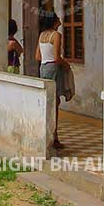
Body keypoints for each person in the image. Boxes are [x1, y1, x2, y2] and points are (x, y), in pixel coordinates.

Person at [36, 12, 68, 149]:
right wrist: (65, 64)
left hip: (43, 67)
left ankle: (51, 135)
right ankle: (53, 136)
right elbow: (56, 57)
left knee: (49, 101)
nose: (60, 20)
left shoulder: (42, 35)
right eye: (58, 18)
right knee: (54, 102)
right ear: (54, 21)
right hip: (53, 68)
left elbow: (37, 56)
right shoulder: (56, 35)